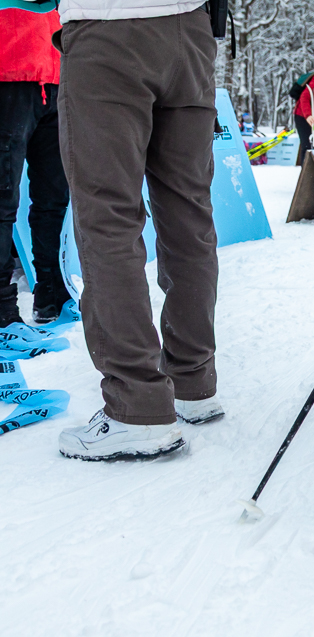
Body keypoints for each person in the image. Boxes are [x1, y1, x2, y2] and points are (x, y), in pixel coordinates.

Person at [54, 0, 224, 461]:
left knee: (108, 218)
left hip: (107, 30)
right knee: (189, 213)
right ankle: (193, 382)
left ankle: (137, 406)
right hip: (190, 31)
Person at [0, 6, 72, 327]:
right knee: (3, 201)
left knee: (54, 198)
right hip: (8, 70)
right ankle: (3, 313)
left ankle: (53, 293)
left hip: (55, 73)